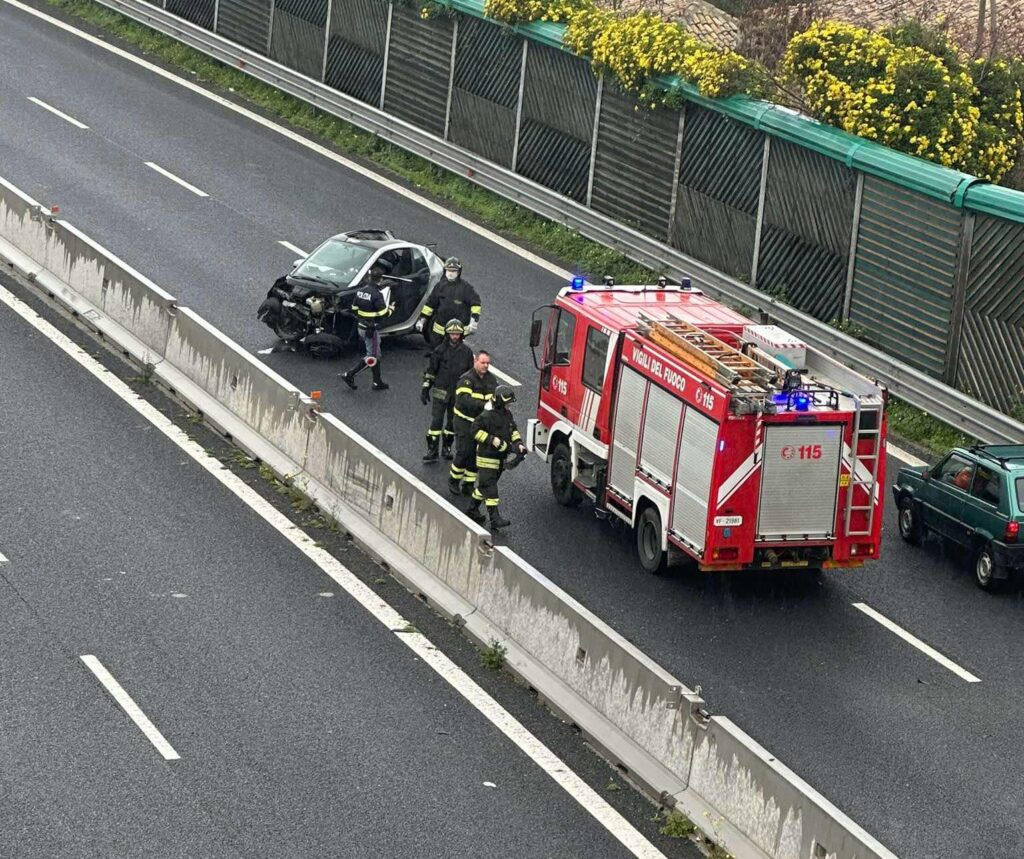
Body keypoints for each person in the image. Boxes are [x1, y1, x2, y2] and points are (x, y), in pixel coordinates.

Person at [465, 385, 526, 530]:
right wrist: (492, 440)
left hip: (499, 459)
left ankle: (472, 509)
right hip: (486, 458)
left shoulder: (507, 415)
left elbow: (513, 431)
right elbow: (474, 430)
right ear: (499, 401)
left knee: (484, 487)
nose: (509, 405)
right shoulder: (486, 416)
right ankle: (495, 519)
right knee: (491, 489)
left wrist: (519, 445)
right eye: (507, 402)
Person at [421, 319, 474, 463]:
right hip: (440, 391)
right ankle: (432, 450)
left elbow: (471, 375)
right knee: (436, 422)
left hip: (457, 394)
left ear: (461, 334)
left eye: (457, 334)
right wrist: (426, 387)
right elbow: (431, 371)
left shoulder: (467, 352)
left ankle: (446, 448)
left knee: (452, 423)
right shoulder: (439, 351)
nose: (455, 336)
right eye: (452, 334)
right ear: (447, 334)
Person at [449, 350, 497, 496]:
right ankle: (454, 480)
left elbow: (496, 399)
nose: (485, 366)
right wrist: (483, 405)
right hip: (464, 421)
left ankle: (468, 484)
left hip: (480, 423)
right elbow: (464, 400)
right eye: (483, 363)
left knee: (476, 455)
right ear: (475, 361)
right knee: (464, 452)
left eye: (488, 363)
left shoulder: (491, 380)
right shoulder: (466, 379)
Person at [342, 267, 392, 391]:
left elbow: (354, 308)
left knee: (375, 355)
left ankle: (377, 382)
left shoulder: (361, 291)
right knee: (372, 357)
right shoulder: (377, 295)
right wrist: (391, 309)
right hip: (371, 329)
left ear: (370, 277)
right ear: (380, 280)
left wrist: (363, 315)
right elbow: (383, 314)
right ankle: (349, 374)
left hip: (361, 326)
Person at [415, 257, 481, 347]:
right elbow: (430, 304)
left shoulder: (466, 288)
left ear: (458, 272)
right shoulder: (440, 286)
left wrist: (474, 321)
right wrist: (422, 319)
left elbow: (476, 304)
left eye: (453, 271)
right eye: (448, 270)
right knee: (437, 351)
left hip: (457, 331)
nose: (450, 273)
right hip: (439, 329)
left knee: (455, 352)